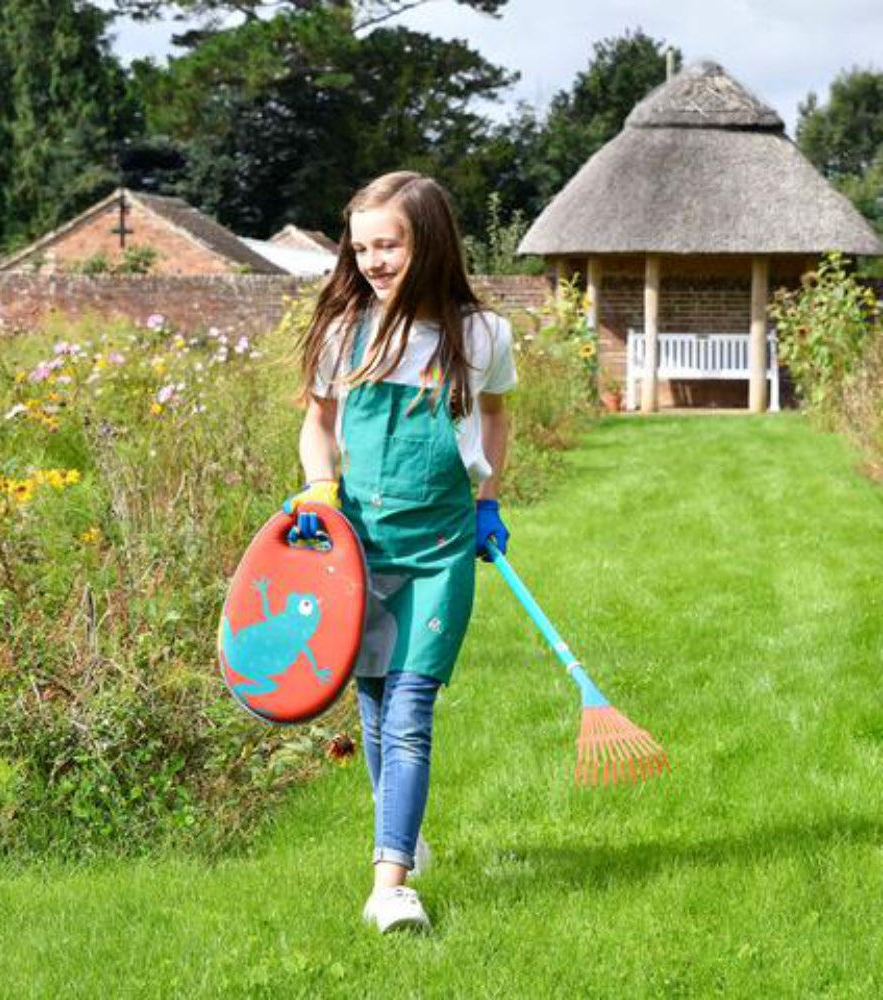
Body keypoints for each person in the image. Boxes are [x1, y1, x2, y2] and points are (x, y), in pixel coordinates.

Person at [286, 171, 516, 934]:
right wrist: (320, 488)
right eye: (361, 247)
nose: (374, 259)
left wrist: (487, 499)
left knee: (412, 705)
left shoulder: (480, 334)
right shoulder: (341, 330)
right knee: (377, 706)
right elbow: (318, 423)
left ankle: (391, 886)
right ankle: (403, 833)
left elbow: (495, 416)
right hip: (359, 545)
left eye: (389, 243)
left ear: (431, 241)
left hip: (443, 544)